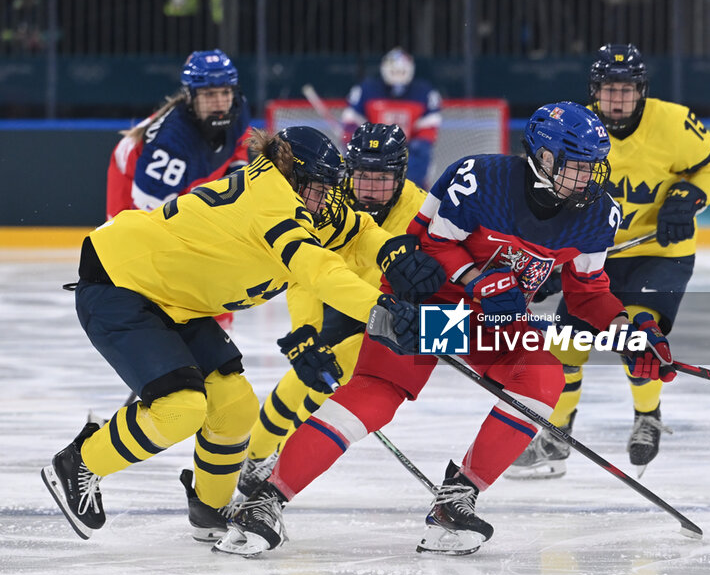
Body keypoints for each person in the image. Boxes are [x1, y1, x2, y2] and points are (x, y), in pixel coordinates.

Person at [214, 101, 677, 558]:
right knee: (373, 397)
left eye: (595, 167)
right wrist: (478, 278)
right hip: (426, 306)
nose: (592, 179)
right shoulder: (481, 178)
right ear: (545, 157)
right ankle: (265, 500)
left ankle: (456, 501)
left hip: (488, 320)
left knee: (542, 377)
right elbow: (429, 249)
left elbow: (588, 292)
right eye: (579, 167)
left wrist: (632, 331)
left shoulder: (598, 215)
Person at [41, 126, 443, 544]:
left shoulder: (304, 196)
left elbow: (356, 229)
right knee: (181, 409)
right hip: (122, 281)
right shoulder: (271, 203)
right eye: (319, 190)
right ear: (296, 178)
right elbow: (317, 270)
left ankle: (209, 509)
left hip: (175, 296)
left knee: (236, 406)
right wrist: (381, 312)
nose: (326, 201)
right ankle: (80, 463)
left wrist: (389, 251)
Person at [509, 44, 710, 480]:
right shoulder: (575, 128)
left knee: (637, 333)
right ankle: (556, 434)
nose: (617, 99)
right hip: (592, 251)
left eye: (626, 89)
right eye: (609, 89)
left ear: (641, 91)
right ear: (595, 90)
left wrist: (688, 196)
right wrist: (548, 255)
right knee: (566, 346)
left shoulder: (674, 123)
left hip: (658, 250)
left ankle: (647, 416)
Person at [237, 122, 427, 495]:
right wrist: (305, 330)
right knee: (301, 380)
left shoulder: (421, 210)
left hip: (390, 306)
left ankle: (282, 461)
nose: (370, 190)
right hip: (335, 296)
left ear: (402, 173)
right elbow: (300, 269)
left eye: (382, 179)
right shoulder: (325, 196)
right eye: (362, 177)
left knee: (334, 376)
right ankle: (257, 458)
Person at [106, 49, 254, 330]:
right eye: (209, 95)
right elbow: (147, 224)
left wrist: (236, 173)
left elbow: (240, 141)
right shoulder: (169, 145)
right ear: (191, 97)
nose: (220, 102)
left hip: (186, 180)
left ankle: (214, 321)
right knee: (139, 269)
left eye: (225, 92)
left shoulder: (238, 107)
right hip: (134, 188)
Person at [340, 47, 441, 189]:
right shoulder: (366, 90)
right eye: (394, 71)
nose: (398, 76)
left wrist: (408, 154)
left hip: (409, 153)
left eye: (402, 71)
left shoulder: (424, 93)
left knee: (420, 158)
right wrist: (357, 142)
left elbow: (428, 132)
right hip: (372, 151)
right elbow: (352, 123)